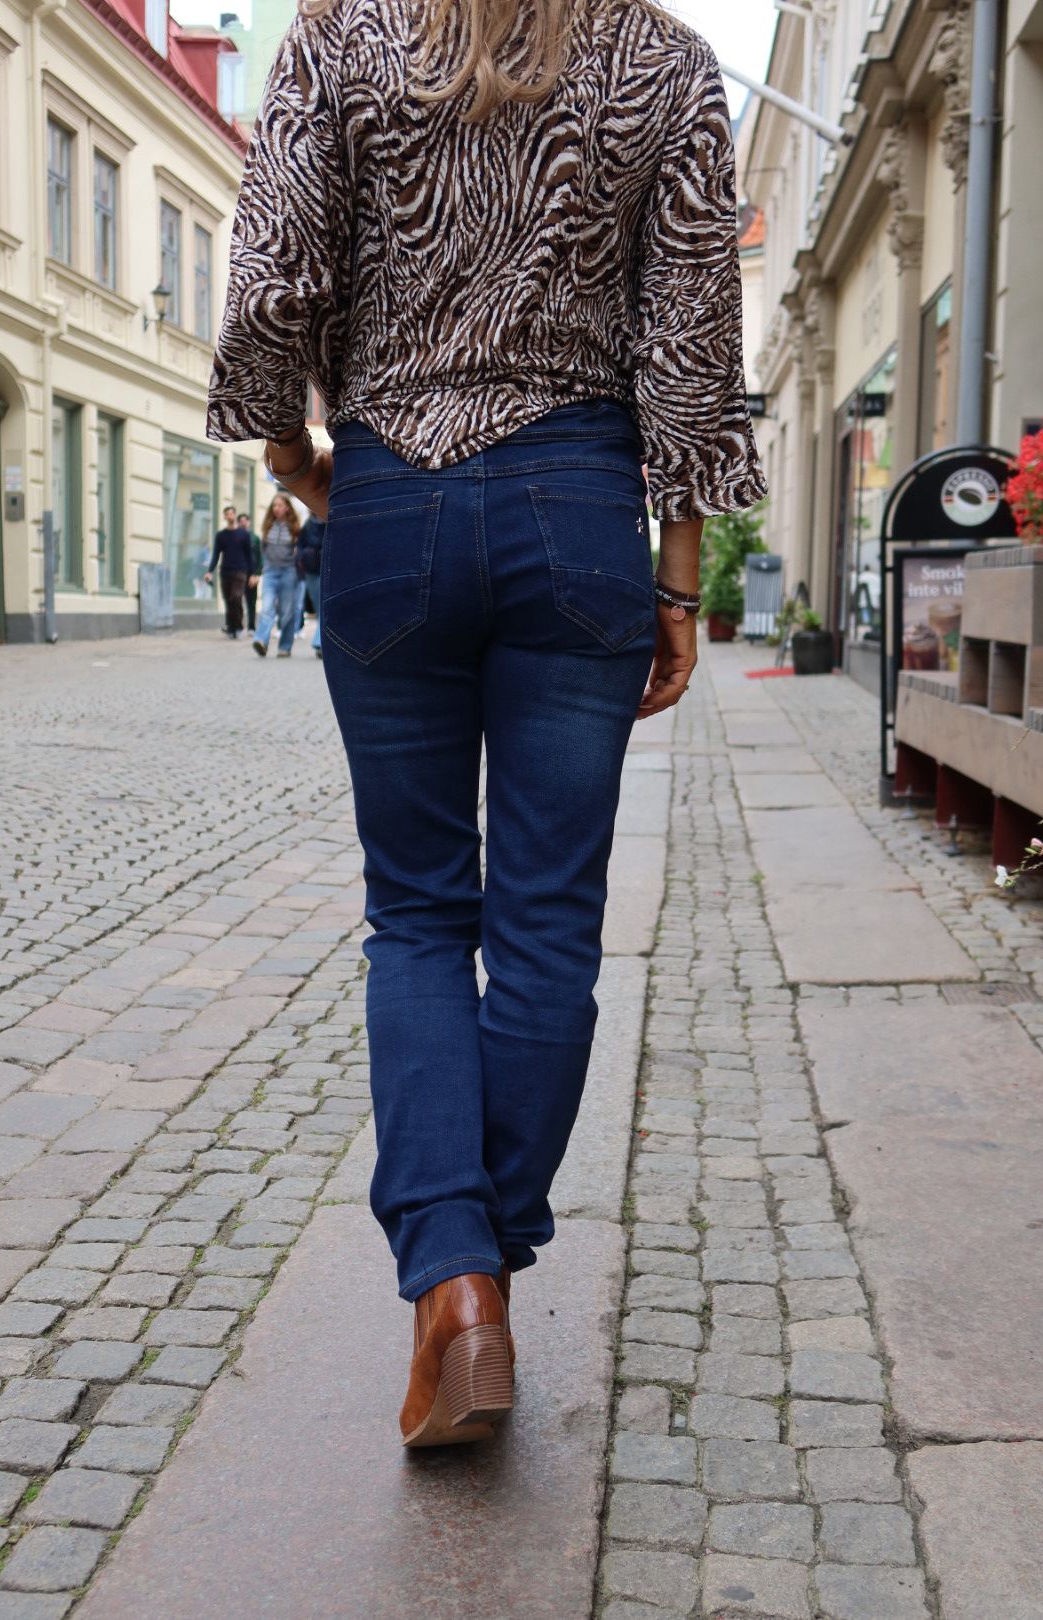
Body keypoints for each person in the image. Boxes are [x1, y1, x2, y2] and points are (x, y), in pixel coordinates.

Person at [207, 0, 765, 1446]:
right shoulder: (665, 63)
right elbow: (693, 342)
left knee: (414, 913)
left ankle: (453, 1277)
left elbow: (271, 287)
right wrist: (682, 579)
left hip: (391, 498)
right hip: (580, 507)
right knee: (548, 923)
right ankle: (478, 1277)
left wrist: (297, 455)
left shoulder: (340, 43)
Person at [251, 494, 301, 657]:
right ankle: (261, 640)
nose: (276, 509)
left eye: (279, 505)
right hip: (270, 571)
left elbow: (300, 549)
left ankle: (285, 646)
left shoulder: (294, 527)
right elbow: (262, 551)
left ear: (287, 507)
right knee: (266, 607)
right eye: (274, 505)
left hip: (288, 572)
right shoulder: (268, 525)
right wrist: (259, 571)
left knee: (287, 612)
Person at [204, 505, 253, 637]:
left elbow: (249, 555)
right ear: (224, 517)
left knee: (236, 597)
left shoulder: (244, 534)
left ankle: (239, 627)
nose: (229, 516)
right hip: (225, 571)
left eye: (231, 513)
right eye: (227, 514)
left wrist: (252, 574)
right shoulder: (221, 535)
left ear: (235, 515)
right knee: (228, 600)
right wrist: (209, 571)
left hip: (240, 571)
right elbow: (216, 555)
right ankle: (231, 628)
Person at [296, 513, 325, 658]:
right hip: (311, 569)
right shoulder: (308, 525)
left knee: (323, 607)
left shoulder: (331, 521)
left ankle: (319, 642)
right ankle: (322, 642)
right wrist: (301, 557)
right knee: (320, 608)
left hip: (327, 568)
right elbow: (300, 544)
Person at [239, 512, 263, 633]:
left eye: (245, 521)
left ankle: (251, 627)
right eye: (241, 521)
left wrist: (257, 574)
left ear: (249, 522)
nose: (243, 523)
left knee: (251, 602)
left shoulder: (255, 538)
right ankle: (236, 626)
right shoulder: (235, 537)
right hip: (238, 573)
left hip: (251, 575)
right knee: (236, 600)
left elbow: (260, 558)